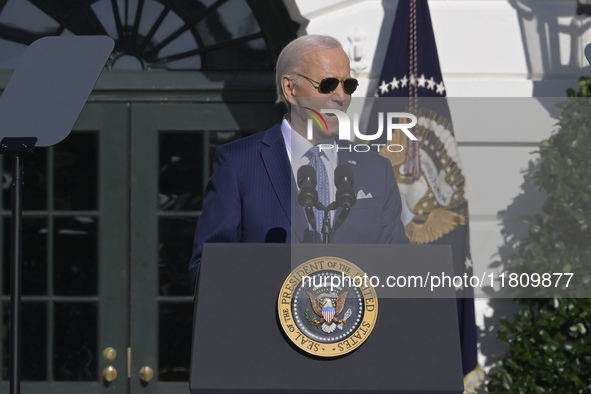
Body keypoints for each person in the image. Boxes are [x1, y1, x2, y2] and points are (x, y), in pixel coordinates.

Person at [189, 35, 408, 288]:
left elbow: (399, 271)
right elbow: (208, 271)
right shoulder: (238, 165)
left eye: (348, 85)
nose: (341, 96)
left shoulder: (375, 169)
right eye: (327, 84)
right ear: (290, 89)